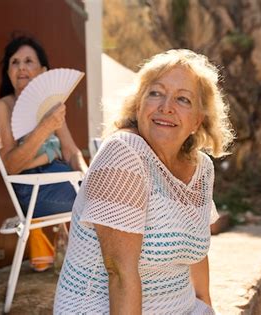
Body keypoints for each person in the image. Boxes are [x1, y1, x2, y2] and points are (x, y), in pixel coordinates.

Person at [54, 49, 234, 313]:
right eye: (155, 93)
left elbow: (195, 252)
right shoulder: (123, 154)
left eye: (183, 99)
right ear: (139, 106)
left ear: (197, 120)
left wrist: (206, 306)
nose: (166, 107)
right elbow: (120, 273)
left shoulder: (202, 168)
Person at [0, 35, 88, 271]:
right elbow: (11, 166)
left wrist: (88, 176)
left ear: (43, 70)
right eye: (14, 62)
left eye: (28, 61)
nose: (21, 67)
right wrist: (45, 126)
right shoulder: (2, 107)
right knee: (100, 205)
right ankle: (93, 273)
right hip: (31, 191)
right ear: (8, 72)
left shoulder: (51, 104)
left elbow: (70, 150)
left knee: (105, 193)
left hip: (62, 179)